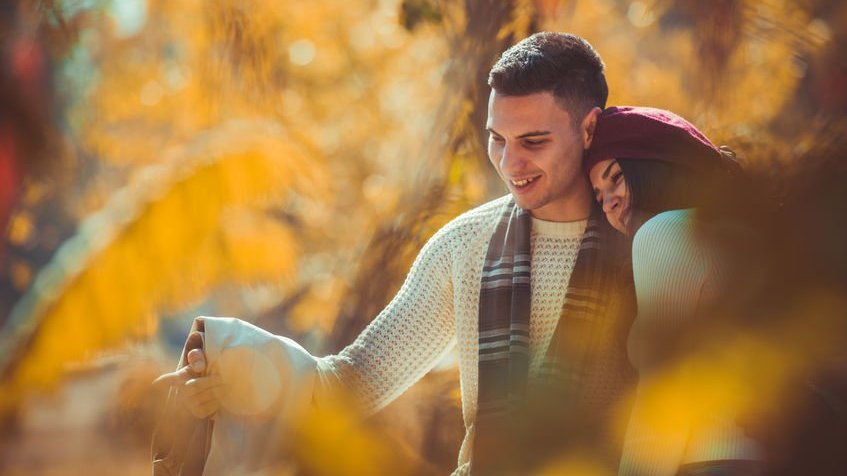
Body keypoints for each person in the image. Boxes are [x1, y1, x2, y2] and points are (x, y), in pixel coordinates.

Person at [155, 32, 638, 475]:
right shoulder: (462, 247)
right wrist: (233, 367)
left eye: (533, 141)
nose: (510, 164)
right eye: (497, 139)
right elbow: (348, 385)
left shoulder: (646, 243)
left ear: (590, 129)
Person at [585, 106, 765, 475]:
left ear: (656, 167)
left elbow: (661, 394)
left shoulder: (663, 232)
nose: (608, 203)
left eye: (616, 178)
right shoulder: (745, 236)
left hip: (714, 461)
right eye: (598, 195)